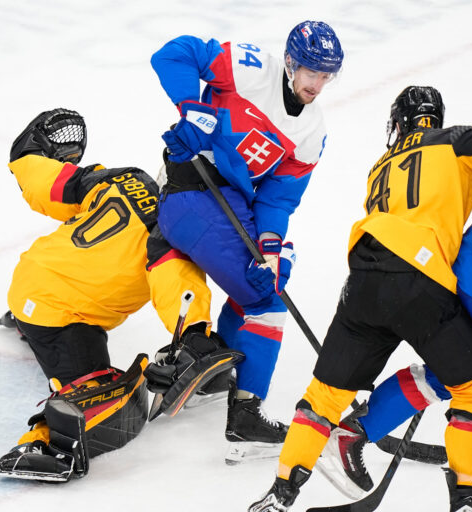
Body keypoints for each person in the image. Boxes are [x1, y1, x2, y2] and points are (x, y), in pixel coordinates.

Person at [249, 85, 472, 512]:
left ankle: (279, 494)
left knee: (324, 397)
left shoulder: (381, 163)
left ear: (398, 122)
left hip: (362, 282)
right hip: (419, 279)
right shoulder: (456, 141)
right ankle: (466, 495)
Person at [0, 108, 240, 482]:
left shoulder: (124, 178)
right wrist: (194, 336)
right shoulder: (173, 236)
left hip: (32, 279)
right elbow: (177, 284)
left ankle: (26, 321)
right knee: (104, 390)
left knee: (48, 300)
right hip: (62, 317)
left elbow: (51, 184)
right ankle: (45, 444)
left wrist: (28, 157)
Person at [143, 21, 344, 460]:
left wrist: (269, 247)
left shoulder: (312, 132)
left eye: (326, 75)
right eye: (311, 71)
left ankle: (218, 373)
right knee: (266, 302)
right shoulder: (249, 67)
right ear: (290, 62)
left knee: (265, 276)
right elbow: (174, 53)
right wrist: (192, 107)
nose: (316, 84)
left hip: (224, 203)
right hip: (191, 193)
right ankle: (246, 416)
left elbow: (278, 198)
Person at [317, 197, 472, 503]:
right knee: (467, 379)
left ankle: (355, 433)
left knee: (457, 368)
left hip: (468, 265)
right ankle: (465, 493)